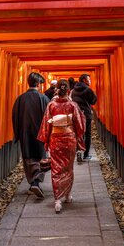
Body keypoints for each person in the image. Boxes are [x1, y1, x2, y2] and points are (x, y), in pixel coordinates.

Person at [37, 79, 86, 213]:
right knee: (68, 168)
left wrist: (46, 140)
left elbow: (46, 125)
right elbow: (80, 125)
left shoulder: (51, 105)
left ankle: (57, 200)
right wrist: (79, 137)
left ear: (57, 89)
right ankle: (68, 195)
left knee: (56, 168)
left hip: (55, 139)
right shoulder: (72, 105)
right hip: (69, 139)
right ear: (68, 90)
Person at [12, 72, 50, 198]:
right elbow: (49, 116)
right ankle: (36, 182)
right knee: (41, 158)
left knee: (28, 158)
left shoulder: (20, 99)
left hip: (25, 133)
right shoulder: (43, 98)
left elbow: (15, 117)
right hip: (40, 133)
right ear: (38, 84)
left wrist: (17, 134)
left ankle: (33, 183)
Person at [71, 73, 97, 161]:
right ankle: (86, 154)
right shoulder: (87, 90)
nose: (90, 81)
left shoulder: (74, 90)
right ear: (84, 80)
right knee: (87, 134)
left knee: (79, 134)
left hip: (77, 115)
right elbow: (93, 100)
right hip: (86, 114)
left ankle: (79, 151)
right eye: (89, 79)